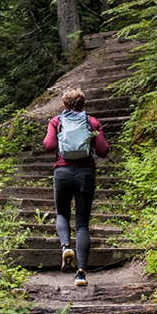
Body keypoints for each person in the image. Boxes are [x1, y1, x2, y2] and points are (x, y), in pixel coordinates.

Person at [43, 89, 109, 287]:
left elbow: (48, 145)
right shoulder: (92, 122)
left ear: (64, 105)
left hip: (62, 172)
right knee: (81, 224)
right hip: (86, 174)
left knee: (62, 213)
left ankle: (65, 247)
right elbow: (103, 150)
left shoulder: (56, 121)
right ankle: (81, 273)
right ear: (83, 105)